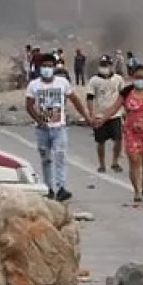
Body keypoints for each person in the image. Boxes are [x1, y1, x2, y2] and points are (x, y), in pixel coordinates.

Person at [95, 63, 143, 203]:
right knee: (134, 161)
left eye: (142, 77)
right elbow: (114, 108)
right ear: (132, 77)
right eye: (137, 77)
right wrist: (103, 119)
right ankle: (137, 191)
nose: (139, 79)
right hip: (131, 133)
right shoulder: (126, 92)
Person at [26, 58, 89, 201]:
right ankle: (49, 188)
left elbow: (75, 100)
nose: (47, 69)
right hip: (41, 129)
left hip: (59, 127)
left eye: (50, 66)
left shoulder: (62, 83)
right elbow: (29, 105)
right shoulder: (33, 85)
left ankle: (61, 187)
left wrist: (86, 116)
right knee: (46, 159)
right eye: (44, 66)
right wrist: (39, 120)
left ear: (54, 68)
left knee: (60, 156)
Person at [86, 55, 126, 174]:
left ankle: (115, 162)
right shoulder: (94, 80)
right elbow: (90, 97)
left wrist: (124, 111)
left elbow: (123, 96)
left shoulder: (118, 79)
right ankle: (102, 164)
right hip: (99, 115)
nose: (105, 67)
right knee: (100, 141)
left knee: (118, 139)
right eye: (103, 65)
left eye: (107, 65)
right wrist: (91, 114)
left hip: (115, 115)